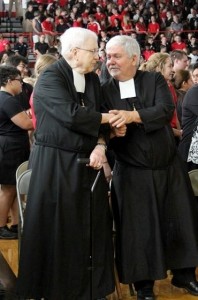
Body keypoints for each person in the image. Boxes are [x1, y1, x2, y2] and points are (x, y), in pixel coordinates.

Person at [16, 27, 125, 300]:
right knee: (57, 228)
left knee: (92, 227)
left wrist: (102, 144)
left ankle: (90, 289)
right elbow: (73, 116)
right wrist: (110, 120)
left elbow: (97, 119)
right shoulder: (50, 78)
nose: (98, 57)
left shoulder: (90, 80)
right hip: (55, 165)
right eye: (94, 51)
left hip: (90, 165)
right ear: (74, 53)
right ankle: (55, 290)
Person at [101, 35, 198, 300]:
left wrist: (133, 116)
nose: (110, 61)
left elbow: (165, 110)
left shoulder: (153, 80)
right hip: (132, 172)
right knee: (138, 230)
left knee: (180, 222)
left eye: (116, 56)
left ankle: (184, 275)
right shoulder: (104, 89)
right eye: (108, 56)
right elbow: (100, 125)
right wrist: (111, 131)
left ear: (134, 58)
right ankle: (144, 286)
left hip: (168, 167)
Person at [0, 65, 33, 239]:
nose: (21, 84)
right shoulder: (8, 100)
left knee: (14, 187)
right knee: (8, 189)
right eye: (18, 81)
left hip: (11, 146)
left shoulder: (6, 99)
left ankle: (15, 224)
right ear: (8, 81)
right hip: (10, 147)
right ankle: (1, 226)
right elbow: (27, 124)